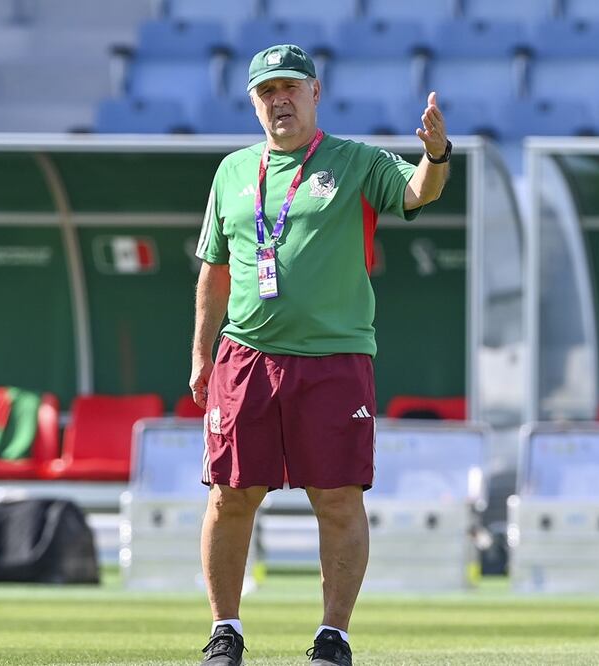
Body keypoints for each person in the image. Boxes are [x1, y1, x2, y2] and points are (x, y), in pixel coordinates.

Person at [189, 44, 450, 666]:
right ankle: (226, 630)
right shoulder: (231, 172)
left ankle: (333, 636)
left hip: (335, 359)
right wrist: (201, 355)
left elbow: (418, 191)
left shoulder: (355, 162)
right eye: (266, 91)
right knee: (230, 494)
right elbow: (213, 273)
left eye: (290, 88)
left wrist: (436, 154)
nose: (279, 99)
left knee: (336, 498)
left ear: (315, 92)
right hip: (246, 356)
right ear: (254, 101)